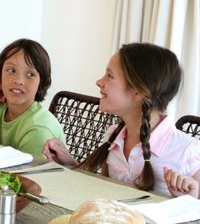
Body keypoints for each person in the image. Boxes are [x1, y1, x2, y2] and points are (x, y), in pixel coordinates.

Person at [43, 43, 200, 198]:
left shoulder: (188, 151)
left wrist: (189, 201)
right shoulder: (114, 135)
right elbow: (104, 189)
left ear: (138, 92)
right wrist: (69, 163)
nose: (99, 81)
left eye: (110, 75)